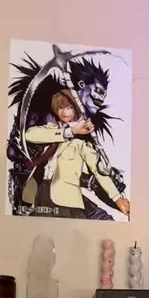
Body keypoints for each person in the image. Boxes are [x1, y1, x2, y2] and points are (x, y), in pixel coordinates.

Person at [22, 90, 131, 219]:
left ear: (77, 110)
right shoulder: (52, 129)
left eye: (69, 107)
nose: (64, 111)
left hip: (67, 199)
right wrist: (70, 131)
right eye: (60, 107)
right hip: (42, 194)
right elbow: (29, 135)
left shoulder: (82, 140)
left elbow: (98, 170)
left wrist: (117, 198)